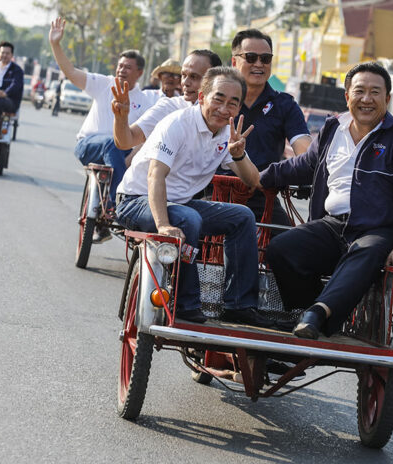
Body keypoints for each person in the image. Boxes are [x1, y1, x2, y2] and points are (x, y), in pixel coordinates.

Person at [258, 62, 393, 339]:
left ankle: (318, 314)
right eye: (359, 91)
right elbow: (303, 165)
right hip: (330, 226)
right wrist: (257, 175)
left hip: (375, 230)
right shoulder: (333, 129)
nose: (366, 99)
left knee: (366, 252)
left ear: (388, 99)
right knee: (281, 248)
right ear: (347, 96)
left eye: (375, 92)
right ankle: (310, 314)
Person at [115, 66, 271, 327]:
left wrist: (237, 154)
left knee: (242, 217)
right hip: (136, 200)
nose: (224, 109)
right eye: (218, 99)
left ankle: (239, 305)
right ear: (202, 98)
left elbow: (252, 180)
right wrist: (164, 224)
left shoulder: (226, 135)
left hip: (181, 204)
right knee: (188, 219)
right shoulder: (177, 124)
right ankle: (186, 303)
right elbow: (156, 176)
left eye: (232, 103)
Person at [48, 16, 158, 243]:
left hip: (122, 157)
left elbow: (146, 137)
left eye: (128, 67)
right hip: (89, 146)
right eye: (119, 66)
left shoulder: (146, 101)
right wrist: (55, 44)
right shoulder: (103, 83)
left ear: (139, 73)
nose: (121, 70)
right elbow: (70, 71)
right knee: (112, 142)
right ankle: (115, 206)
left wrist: (133, 158)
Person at [229, 29, 312, 229]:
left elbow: (306, 152)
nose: (259, 64)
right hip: (214, 192)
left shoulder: (285, 105)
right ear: (234, 62)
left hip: (262, 195)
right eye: (251, 57)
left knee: (289, 249)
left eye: (265, 59)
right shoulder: (218, 100)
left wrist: (306, 169)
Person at [112, 49, 221, 151]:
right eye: (184, 75)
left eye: (194, 77)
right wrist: (121, 118)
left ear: (215, 81)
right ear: (160, 77)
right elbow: (126, 142)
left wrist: (238, 156)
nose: (185, 82)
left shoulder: (224, 119)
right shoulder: (168, 107)